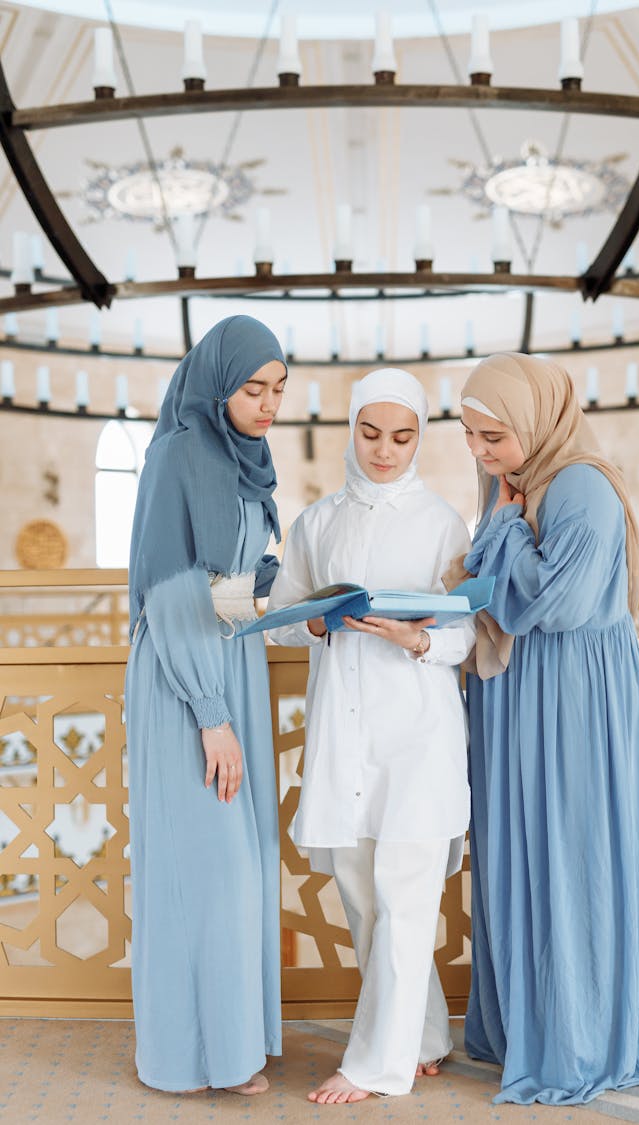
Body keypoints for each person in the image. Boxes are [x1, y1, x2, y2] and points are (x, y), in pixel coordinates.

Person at [450, 352, 639, 1105]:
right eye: (471, 436)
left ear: (536, 421)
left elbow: (554, 605)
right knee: (524, 851)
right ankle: (530, 1022)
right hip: (519, 694)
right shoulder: (520, 483)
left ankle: (583, 1032)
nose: (480, 453)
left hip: (571, 701)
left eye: (492, 437)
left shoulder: (584, 488)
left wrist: (500, 526)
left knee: (572, 851)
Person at [265, 367, 474, 1104]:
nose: (385, 450)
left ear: (420, 437)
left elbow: (468, 632)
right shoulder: (317, 522)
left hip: (417, 728)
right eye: (371, 433)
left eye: (403, 435)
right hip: (343, 731)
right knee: (364, 898)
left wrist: (416, 639)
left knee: (409, 893)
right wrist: (318, 619)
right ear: (351, 429)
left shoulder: (446, 523)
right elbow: (284, 616)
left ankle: (374, 1066)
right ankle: (422, 1037)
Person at [125, 314, 287, 1095]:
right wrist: (209, 712)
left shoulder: (247, 460)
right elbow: (170, 587)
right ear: (217, 383)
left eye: (278, 388)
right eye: (253, 387)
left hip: (235, 662)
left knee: (239, 860)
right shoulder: (177, 454)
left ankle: (234, 1041)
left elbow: (243, 570)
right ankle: (194, 1053)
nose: (268, 403)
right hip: (186, 677)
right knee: (209, 867)